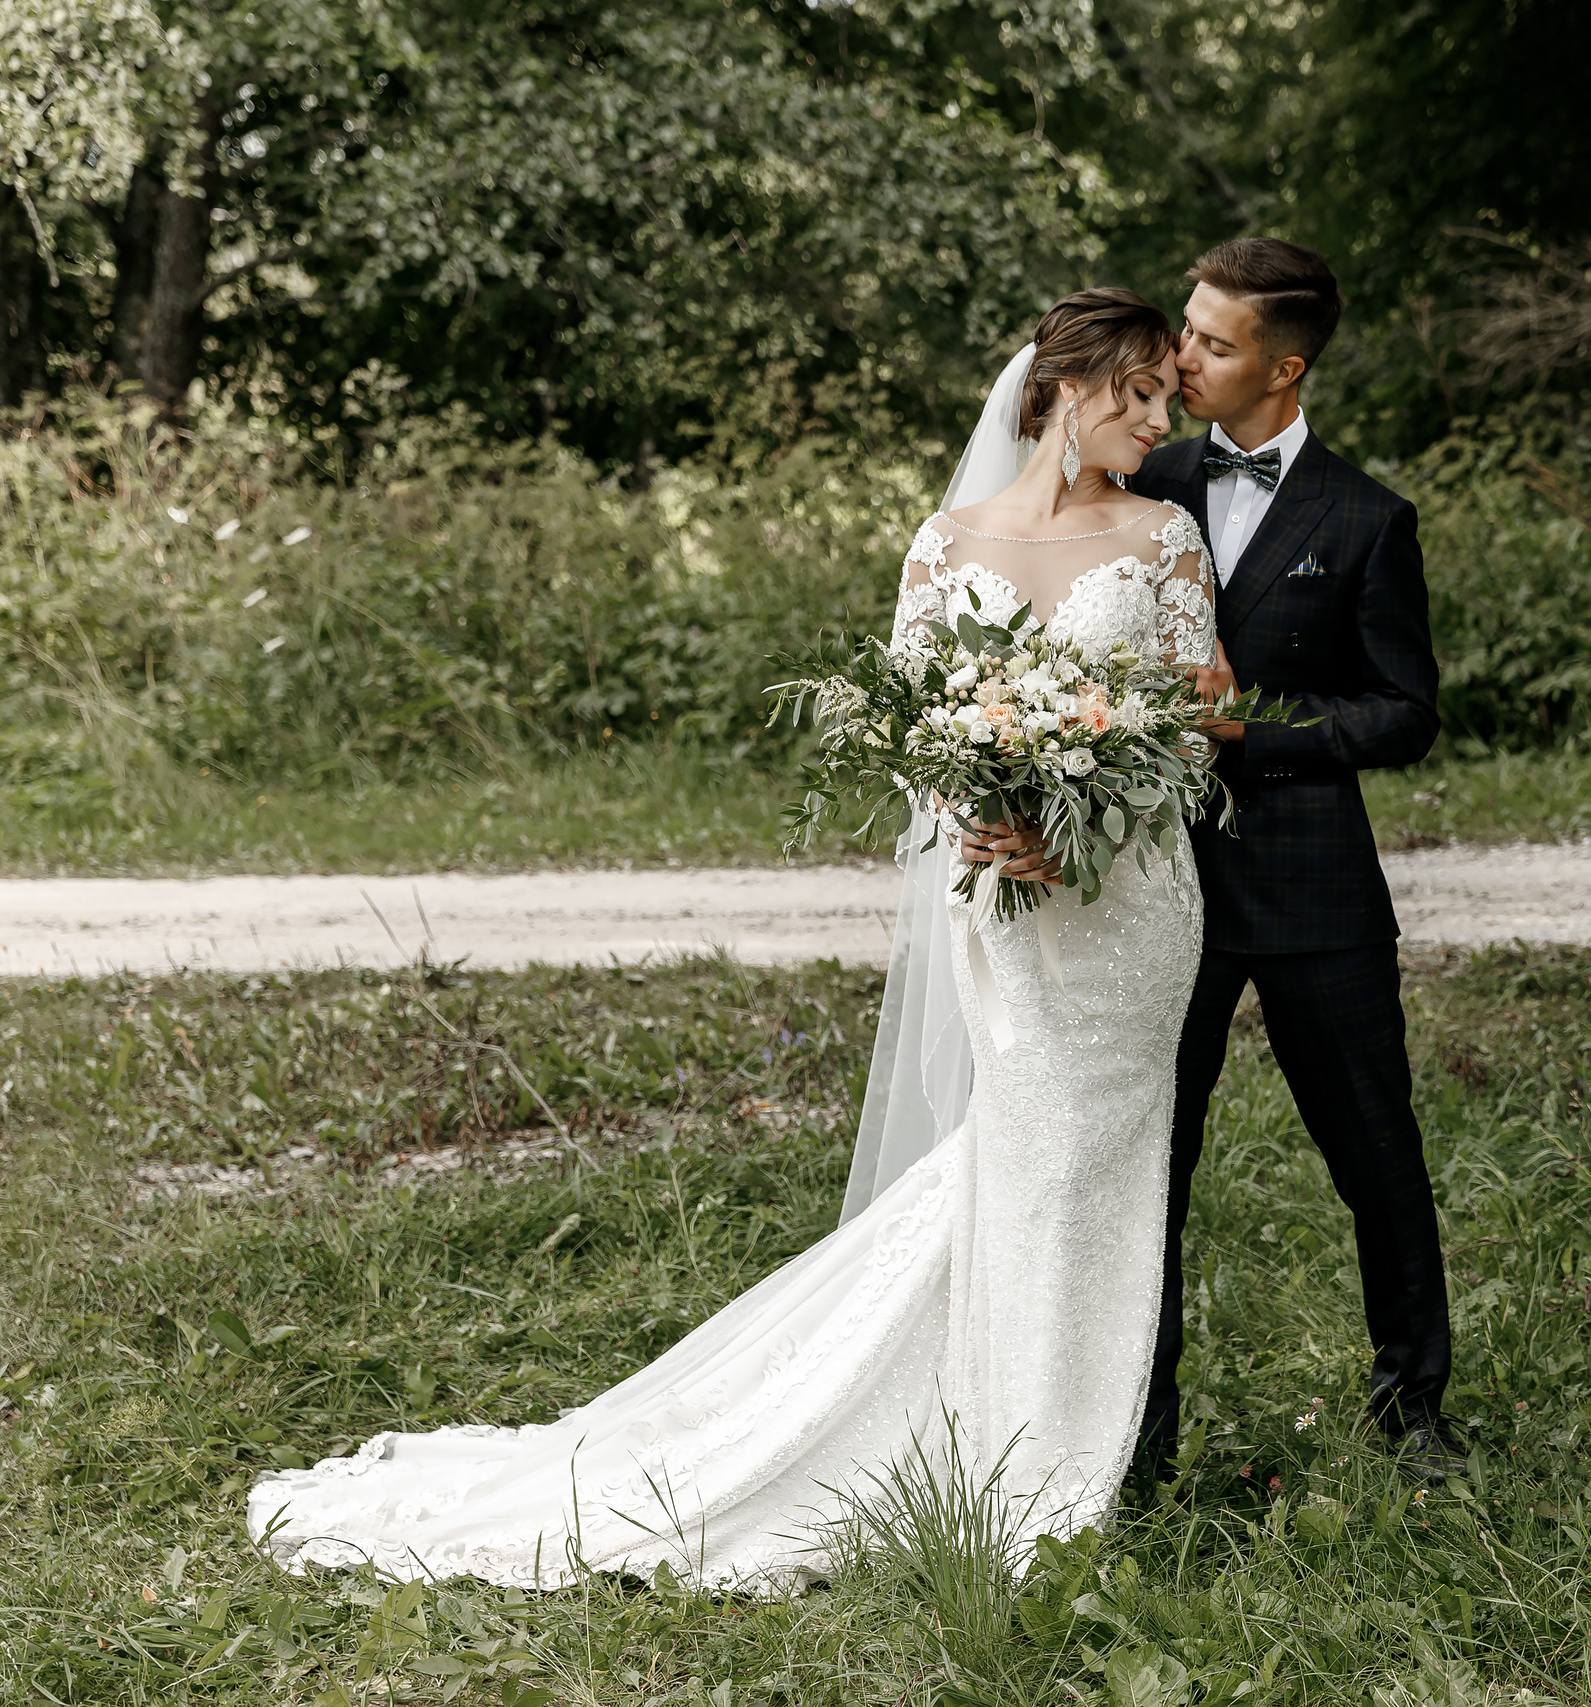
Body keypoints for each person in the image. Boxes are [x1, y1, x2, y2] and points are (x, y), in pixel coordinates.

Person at [245, 289, 1217, 1590]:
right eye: (1140, 392)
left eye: (1169, 395)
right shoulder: (947, 543)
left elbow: (1202, 725)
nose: (1160, 419)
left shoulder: (1163, 538)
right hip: (1008, 899)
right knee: (1024, 1155)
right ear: (1065, 387)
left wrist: (1089, 800)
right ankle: (1002, 1443)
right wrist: (981, 816)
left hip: (1131, 907)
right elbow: (914, 730)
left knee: (1096, 1160)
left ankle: (1057, 1449)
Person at [1130, 238, 1457, 1482]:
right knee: (1151, 1167)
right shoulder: (1140, 478)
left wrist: (1254, 735)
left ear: (1286, 365)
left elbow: (1405, 712)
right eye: (1186, 330)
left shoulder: (1369, 519)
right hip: (1156, 894)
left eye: (1212, 343)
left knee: (1378, 1155)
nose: (1182, 357)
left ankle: (1412, 1411)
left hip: (1317, 893)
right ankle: (1138, 1430)